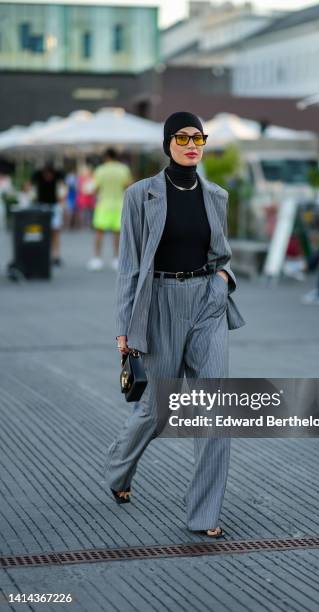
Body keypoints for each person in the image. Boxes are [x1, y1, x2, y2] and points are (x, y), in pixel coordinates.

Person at [103, 111, 246, 538]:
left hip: (207, 304)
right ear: (168, 143)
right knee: (155, 408)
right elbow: (129, 265)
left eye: (198, 138)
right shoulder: (139, 195)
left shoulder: (216, 195)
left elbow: (221, 253)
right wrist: (125, 326)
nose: (191, 144)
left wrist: (223, 280)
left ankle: (204, 514)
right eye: (182, 137)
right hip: (158, 302)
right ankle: (118, 469)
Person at [87, 149, 132, 271]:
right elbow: (128, 186)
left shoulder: (100, 170)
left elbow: (94, 189)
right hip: (119, 204)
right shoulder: (123, 169)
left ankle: (97, 259)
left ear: (106, 157)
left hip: (103, 205)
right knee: (117, 233)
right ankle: (116, 259)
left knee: (99, 233)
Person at [32, 162, 65, 266]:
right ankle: (42, 254)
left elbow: (63, 183)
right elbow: (29, 183)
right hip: (41, 205)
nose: (48, 177)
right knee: (41, 232)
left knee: (55, 231)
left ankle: (56, 255)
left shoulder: (58, 175)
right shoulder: (37, 175)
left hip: (54, 206)